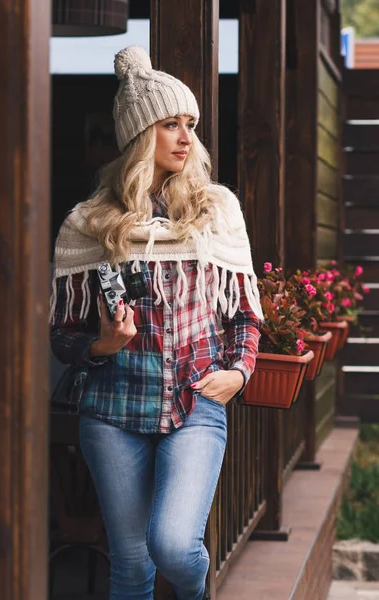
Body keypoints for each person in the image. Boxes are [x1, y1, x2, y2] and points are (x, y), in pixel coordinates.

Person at [50, 45, 263, 600]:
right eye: (171, 123)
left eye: (189, 124)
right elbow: (62, 336)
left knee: (173, 544)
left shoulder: (215, 211)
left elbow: (244, 313)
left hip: (196, 405)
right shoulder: (88, 224)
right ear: (142, 134)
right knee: (131, 565)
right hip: (111, 413)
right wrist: (100, 345)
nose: (186, 137)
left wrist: (238, 372)